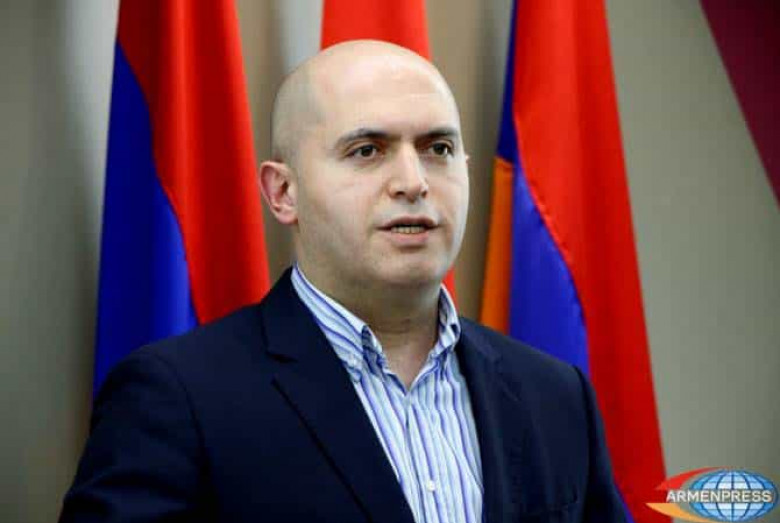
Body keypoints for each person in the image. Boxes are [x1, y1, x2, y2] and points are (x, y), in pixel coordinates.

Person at [60, 40, 626, 523]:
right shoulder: (177, 397)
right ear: (284, 193)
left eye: (438, 149)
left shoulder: (556, 395)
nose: (413, 181)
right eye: (367, 151)